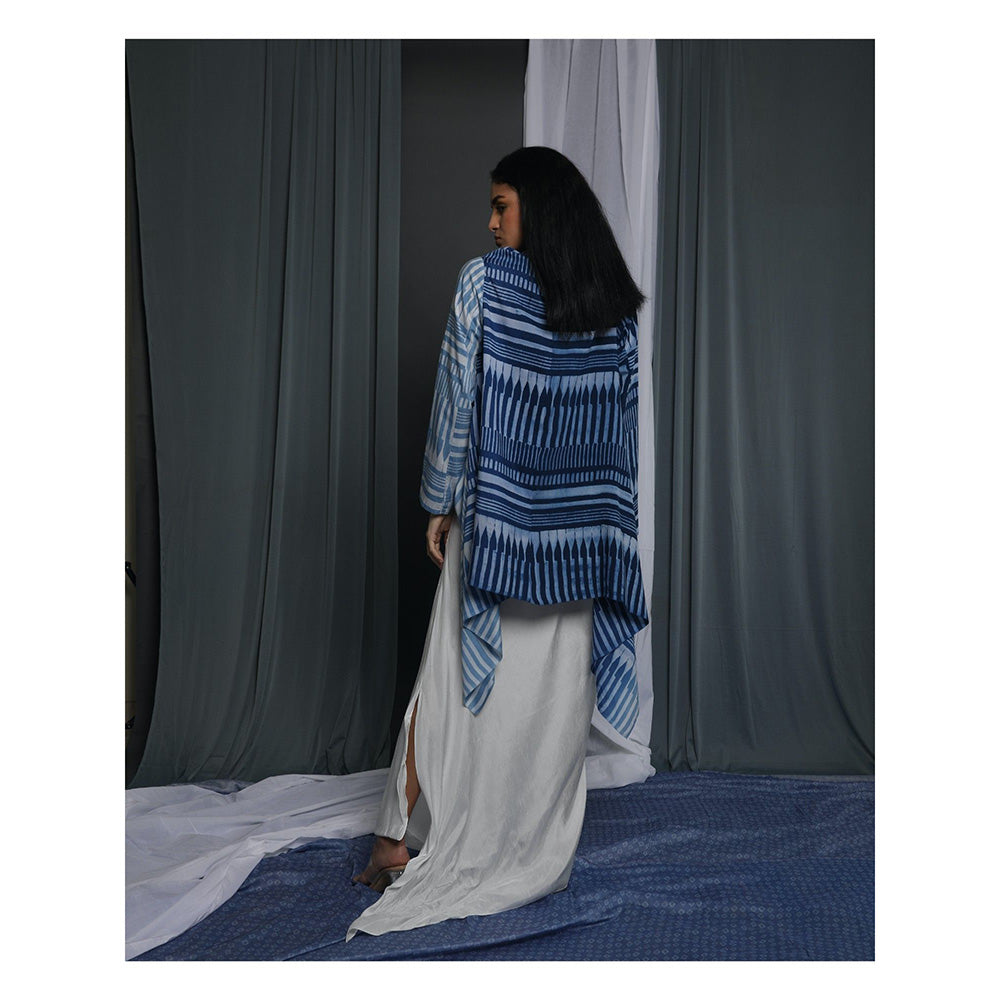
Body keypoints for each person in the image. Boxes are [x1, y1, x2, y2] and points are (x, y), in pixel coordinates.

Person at [346, 146, 648, 941]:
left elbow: (457, 401)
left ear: (536, 210)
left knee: (448, 684)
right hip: (578, 544)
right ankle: (524, 842)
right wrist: (609, 537)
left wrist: (439, 502)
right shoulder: (613, 304)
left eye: (501, 205)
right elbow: (622, 439)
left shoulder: (484, 284)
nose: (489, 222)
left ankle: (394, 840)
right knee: (548, 712)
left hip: (498, 535)